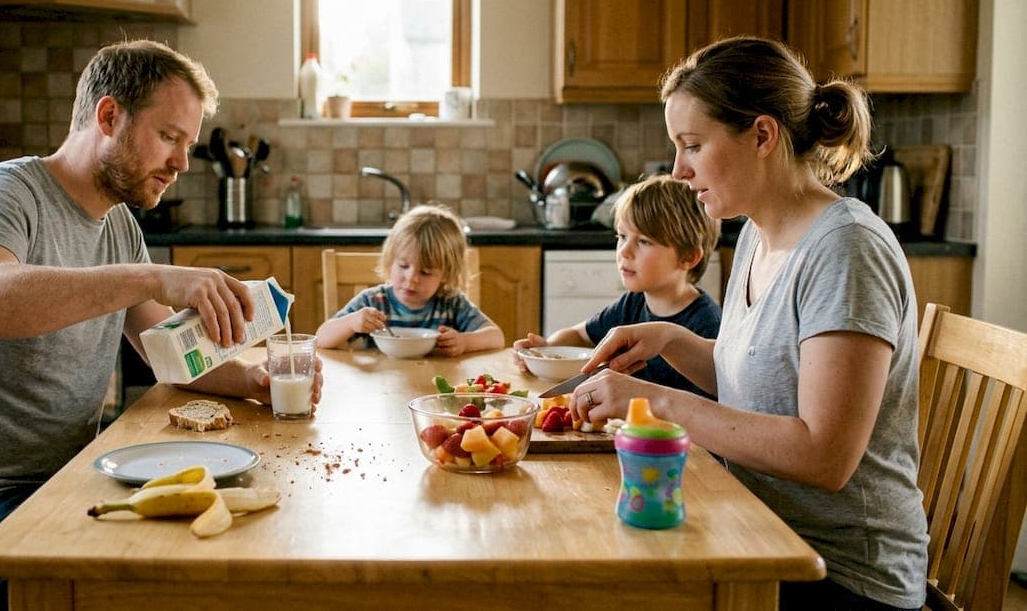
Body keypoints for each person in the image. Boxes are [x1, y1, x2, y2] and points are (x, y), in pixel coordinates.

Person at [0, 40, 323, 610]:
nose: (181, 163)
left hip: (63, 483)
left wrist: (251, 381)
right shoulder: (4, 193)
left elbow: (165, 355)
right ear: (108, 116)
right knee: (152, 590)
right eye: (169, 137)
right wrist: (151, 278)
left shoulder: (117, 224)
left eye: (188, 144)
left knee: (219, 545)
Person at [572, 36, 926, 610]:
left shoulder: (846, 250)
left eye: (692, 145)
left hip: (837, 575)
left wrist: (657, 401)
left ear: (762, 135)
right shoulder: (761, 235)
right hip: (757, 531)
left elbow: (824, 456)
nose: (679, 171)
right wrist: (673, 340)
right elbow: (763, 380)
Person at [513, 174, 720, 398]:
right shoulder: (633, 303)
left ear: (688, 257)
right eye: (622, 236)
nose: (624, 251)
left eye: (643, 241)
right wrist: (545, 351)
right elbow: (580, 335)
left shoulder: (707, 325)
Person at [314, 203, 504, 355]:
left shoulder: (451, 303)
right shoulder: (374, 301)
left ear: (446, 273)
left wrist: (465, 342)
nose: (411, 279)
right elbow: (321, 338)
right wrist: (351, 322)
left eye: (426, 272)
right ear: (391, 259)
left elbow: (496, 337)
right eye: (403, 266)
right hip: (380, 391)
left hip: (434, 393)